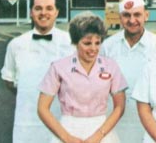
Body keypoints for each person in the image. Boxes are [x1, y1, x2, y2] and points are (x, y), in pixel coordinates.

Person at [37, 12, 126, 143]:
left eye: (98, 43)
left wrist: (99, 136)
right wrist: (66, 138)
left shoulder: (111, 66)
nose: (93, 48)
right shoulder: (59, 67)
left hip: (102, 129)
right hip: (68, 128)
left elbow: (120, 106)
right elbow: (42, 108)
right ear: (75, 42)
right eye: (87, 43)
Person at [1, 0, 73, 143]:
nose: (43, 13)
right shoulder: (16, 44)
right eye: (38, 8)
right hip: (27, 123)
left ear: (56, 12)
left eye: (49, 8)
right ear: (31, 12)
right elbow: (9, 80)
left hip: (63, 123)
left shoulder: (71, 43)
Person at [101, 0, 156, 142]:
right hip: (115, 118)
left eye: (137, 15)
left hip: (150, 119)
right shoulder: (108, 46)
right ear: (120, 18)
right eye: (126, 15)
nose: (132, 20)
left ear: (146, 15)